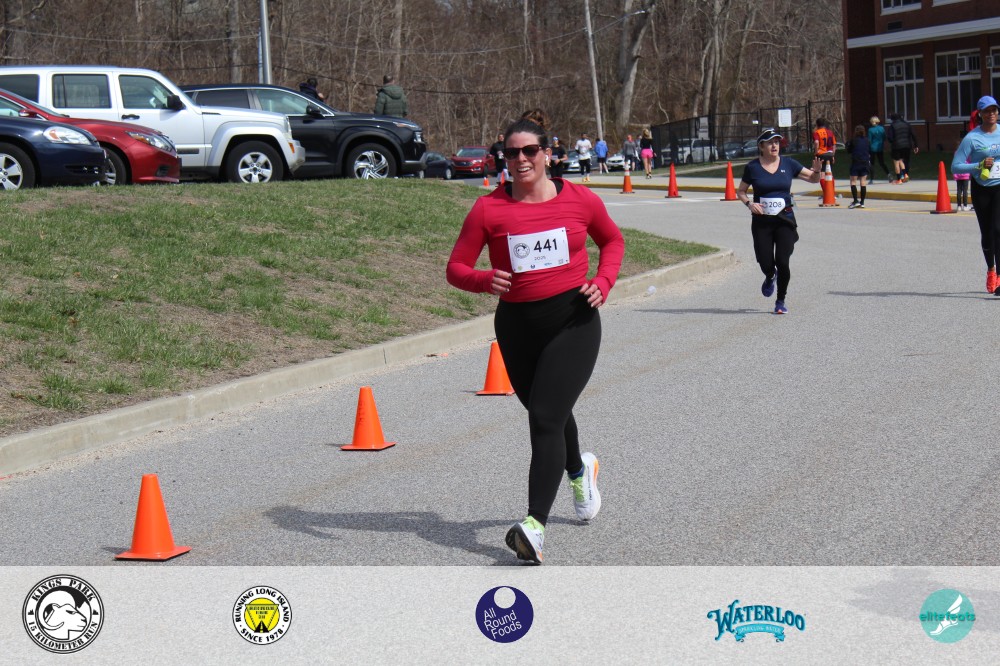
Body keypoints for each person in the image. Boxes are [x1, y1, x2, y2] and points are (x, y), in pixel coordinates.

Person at [446, 110, 625, 564]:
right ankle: (579, 470)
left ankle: (534, 526)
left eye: (529, 151)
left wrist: (603, 282)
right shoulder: (488, 208)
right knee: (549, 413)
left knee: (544, 416)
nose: (520, 159)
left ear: (547, 154)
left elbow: (613, 242)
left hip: (573, 321)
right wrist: (483, 280)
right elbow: (456, 268)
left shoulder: (580, 199)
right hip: (517, 327)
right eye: (511, 153)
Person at [736, 128, 822, 315]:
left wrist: (817, 171)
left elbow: (814, 179)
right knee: (765, 261)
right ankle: (770, 275)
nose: (774, 146)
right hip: (762, 222)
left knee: (783, 261)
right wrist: (749, 204)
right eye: (770, 142)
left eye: (776, 142)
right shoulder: (753, 167)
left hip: (785, 219)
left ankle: (780, 300)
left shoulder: (789, 163)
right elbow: (740, 191)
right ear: (761, 146)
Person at [952, 95, 1000, 295]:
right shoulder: (972, 138)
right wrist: (978, 165)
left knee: (998, 229)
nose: (991, 114)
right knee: (987, 233)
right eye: (987, 111)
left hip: (999, 186)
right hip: (981, 188)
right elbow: (956, 166)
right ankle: (991, 270)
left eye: (994, 110)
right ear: (980, 114)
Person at [887, 113, 918, 183]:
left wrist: (892, 141)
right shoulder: (907, 124)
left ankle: (899, 179)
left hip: (896, 146)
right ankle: (905, 174)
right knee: (905, 161)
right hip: (907, 145)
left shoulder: (892, 126)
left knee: (896, 162)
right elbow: (913, 135)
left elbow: (890, 138)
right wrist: (916, 145)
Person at [846, 124, 871, 209]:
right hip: (865, 162)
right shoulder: (867, 140)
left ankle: (855, 200)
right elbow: (869, 150)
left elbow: (849, 150)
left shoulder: (853, 140)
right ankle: (862, 202)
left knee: (853, 181)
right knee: (863, 181)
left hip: (856, 162)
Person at [867, 116, 889, 183]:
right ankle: (889, 174)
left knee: (872, 164)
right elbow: (884, 137)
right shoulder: (882, 128)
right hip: (880, 147)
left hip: (872, 148)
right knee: (882, 162)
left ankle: (871, 179)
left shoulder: (870, 130)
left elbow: (869, 140)